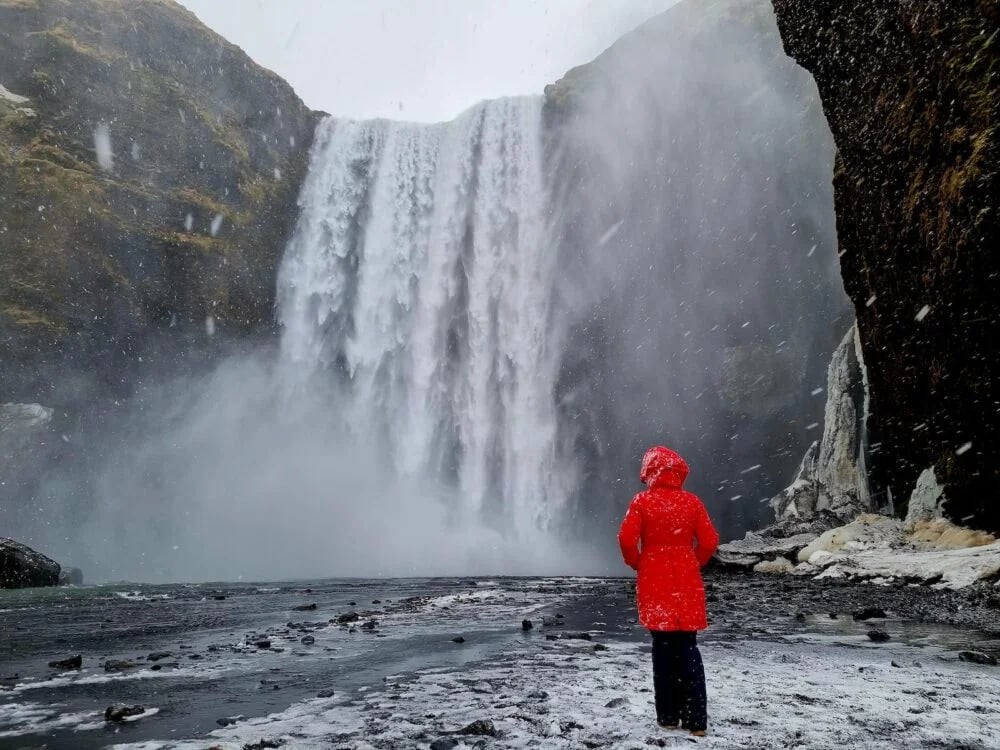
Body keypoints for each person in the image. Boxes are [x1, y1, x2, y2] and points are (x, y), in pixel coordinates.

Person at [618, 445, 719, 736]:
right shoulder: (692, 502)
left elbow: (626, 539)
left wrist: (638, 562)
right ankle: (697, 721)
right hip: (686, 580)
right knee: (688, 647)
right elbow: (710, 541)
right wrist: (692, 561)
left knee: (662, 649)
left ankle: (668, 716)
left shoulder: (642, 501)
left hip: (655, 579)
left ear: (649, 472)